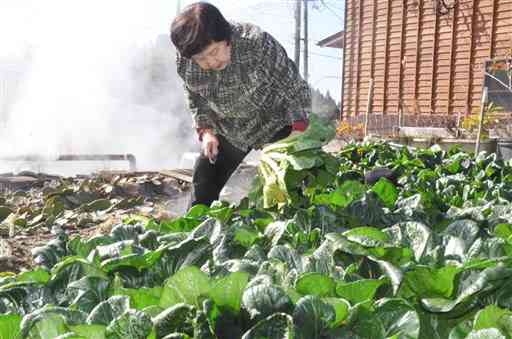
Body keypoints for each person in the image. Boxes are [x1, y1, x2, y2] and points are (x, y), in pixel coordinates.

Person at [171, 2, 311, 207]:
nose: (211, 62)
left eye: (214, 51)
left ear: (226, 38)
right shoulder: (186, 62)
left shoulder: (256, 43)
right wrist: (207, 131)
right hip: (229, 127)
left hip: (275, 120)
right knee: (203, 184)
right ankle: (200, 232)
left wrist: (297, 133)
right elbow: (194, 95)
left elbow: (293, 87)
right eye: (201, 58)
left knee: (288, 185)